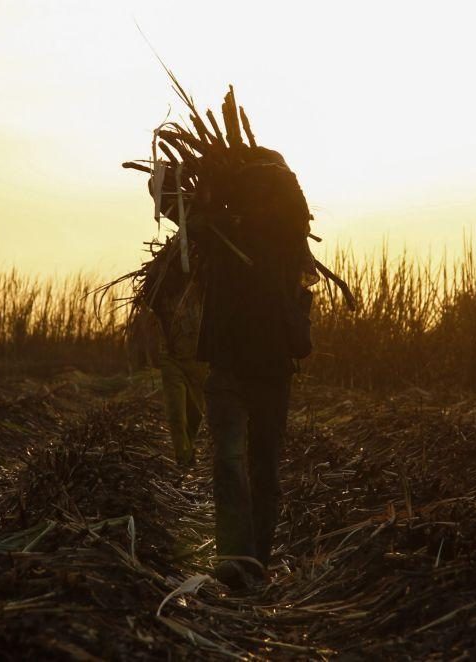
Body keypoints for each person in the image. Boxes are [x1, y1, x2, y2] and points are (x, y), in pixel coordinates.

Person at [197, 148, 317, 589]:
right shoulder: (217, 231)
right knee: (234, 461)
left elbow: (304, 289)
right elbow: (167, 199)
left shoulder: (290, 242)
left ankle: (255, 561)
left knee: (257, 466)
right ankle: (237, 557)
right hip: (232, 366)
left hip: (266, 369)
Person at [147, 259, 209, 468]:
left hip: (198, 357)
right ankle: (183, 458)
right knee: (175, 412)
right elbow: (151, 298)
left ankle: (188, 448)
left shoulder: (202, 281)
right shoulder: (161, 287)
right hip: (171, 356)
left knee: (195, 413)